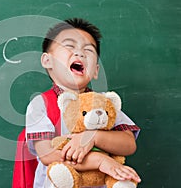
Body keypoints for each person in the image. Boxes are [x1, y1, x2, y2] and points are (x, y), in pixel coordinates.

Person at [25, 18, 141, 187]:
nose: (79, 53)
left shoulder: (103, 103)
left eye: (88, 50)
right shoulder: (41, 103)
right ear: (47, 60)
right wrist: (100, 160)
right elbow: (47, 155)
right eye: (69, 46)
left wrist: (93, 137)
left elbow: (129, 144)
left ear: (95, 70)